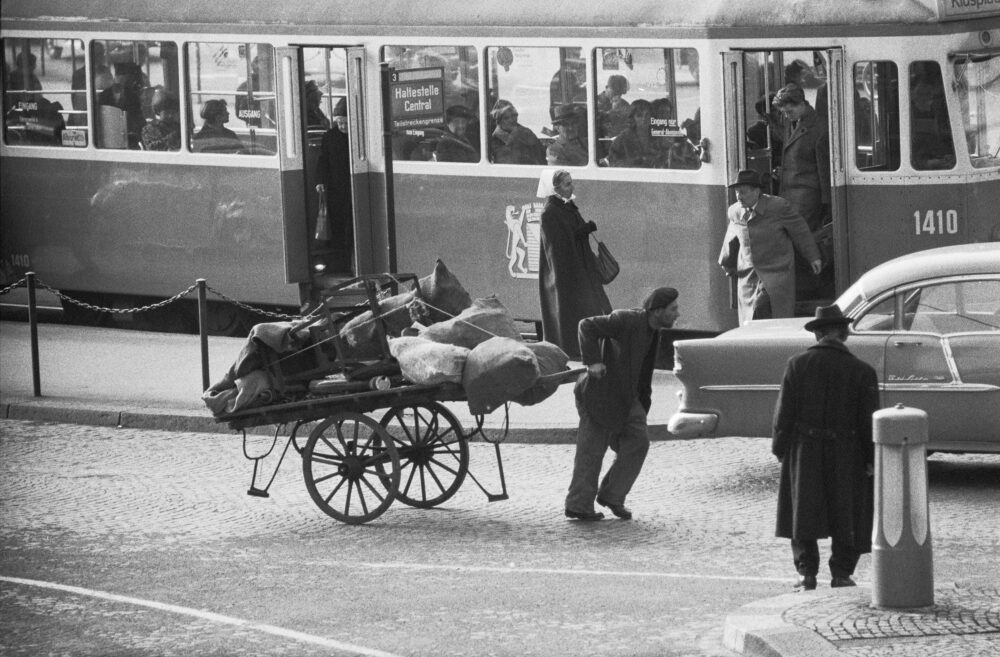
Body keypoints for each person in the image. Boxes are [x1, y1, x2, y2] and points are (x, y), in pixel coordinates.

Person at [772, 303, 880, 590]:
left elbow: (784, 414)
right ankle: (842, 573)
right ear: (844, 334)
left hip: (804, 447)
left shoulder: (797, 365)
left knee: (803, 510)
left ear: (817, 334)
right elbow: (869, 421)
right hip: (848, 450)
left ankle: (806, 573)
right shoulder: (863, 371)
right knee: (848, 511)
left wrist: (781, 448)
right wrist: (871, 459)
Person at [565, 287, 681, 521]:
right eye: (673, 309)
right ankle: (578, 505)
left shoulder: (653, 329)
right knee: (591, 452)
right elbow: (586, 325)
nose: (677, 314)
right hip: (600, 395)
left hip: (628, 398)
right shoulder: (627, 319)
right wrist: (593, 362)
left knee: (638, 443)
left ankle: (612, 495)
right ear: (657, 311)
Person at [718, 169, 822, 324]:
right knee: (751, 316)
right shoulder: (734, 211)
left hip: (777, 271)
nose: (739, 197)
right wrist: (727, 263)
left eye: (743, 192)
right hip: (749, 274)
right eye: (737, 192)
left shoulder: (778, 206)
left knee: (763, 307)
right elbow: (731, 239)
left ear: (757, 191)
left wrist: (813, 257)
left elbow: (800, 231)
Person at [537, 169, 612, 359]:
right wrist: (581, 232)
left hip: (579, 267)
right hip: (567, 273)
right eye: (567, 184)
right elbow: (556, 248)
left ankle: (586, 345)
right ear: (555, 188)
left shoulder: (565, 206)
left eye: (571, 182)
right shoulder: (550, 212)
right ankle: (573, 348)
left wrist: (581, 232)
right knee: (574, 310)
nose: (572, 187)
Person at [772, 82, 833, 299]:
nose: (786, 116)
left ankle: (806, 288)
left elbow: (824, 170)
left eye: (789, 111)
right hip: (793, 193)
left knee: (798, 239)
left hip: (807, 196)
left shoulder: (819, 129)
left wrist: (827, 204)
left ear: (801, 104)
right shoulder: (798, 122)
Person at [316, 97, 355, 271]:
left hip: (353, 187)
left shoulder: (357, 137)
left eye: (346, 122)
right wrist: (320, 181)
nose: (343, 126)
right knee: (338, 228)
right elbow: (323, 161)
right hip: (336, 189)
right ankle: (342, 264)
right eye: (339, 122)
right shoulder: (329, 137)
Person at [98, 62, 146, 148]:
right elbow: (99, 120)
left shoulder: (132, 96)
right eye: (119, 76)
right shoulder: (104, 96)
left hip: (130, 139)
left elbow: (138, 119)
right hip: (109, 138)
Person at [489, 99, 545, 164]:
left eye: (513, 116)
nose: (511, 120)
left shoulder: (527, 133)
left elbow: (541, 156)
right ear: (499, 121)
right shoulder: (493, 140)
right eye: (506, 118)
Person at [606, 99, 658, 168]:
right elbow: (613, 162)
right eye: (639, 115)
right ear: (633, 118)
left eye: (647, 114)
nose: (644, 118)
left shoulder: (657, 135)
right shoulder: (623, 138)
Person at [597, 74, 631, 139]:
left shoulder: (623, 104)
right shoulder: (595, 102)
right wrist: (613, 111)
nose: (617, 95)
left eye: (619, 93)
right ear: (607, 87)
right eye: (614, 91)